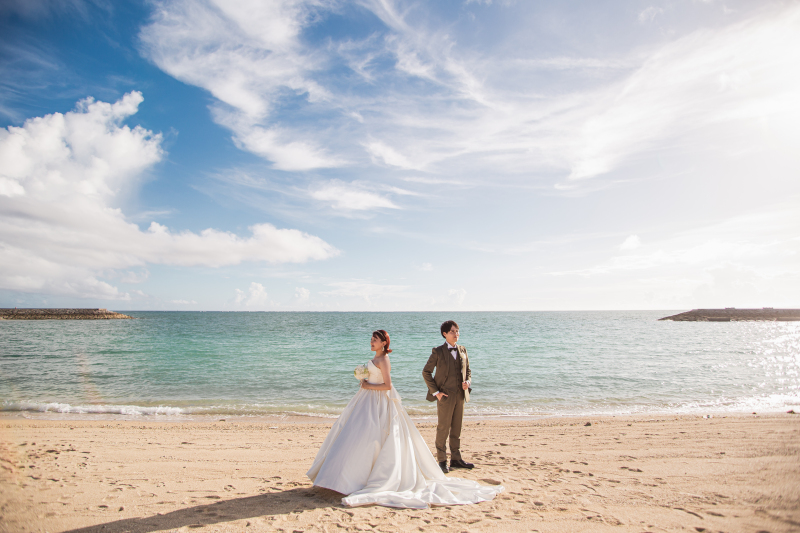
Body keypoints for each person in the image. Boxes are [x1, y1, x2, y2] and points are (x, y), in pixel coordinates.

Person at [307, 329, 502, 509]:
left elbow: (387, 386)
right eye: (371, 339)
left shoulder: (384, 359)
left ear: (384, 343)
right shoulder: (375, 358)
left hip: (379, 402)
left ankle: (361, 479)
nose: (371, 342)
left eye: (375, 340)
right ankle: (346, 478)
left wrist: (368, 386)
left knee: (372, 438)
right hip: (366, 401)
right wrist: (364, 380)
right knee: (353, 436)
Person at [422, 320, 473, 473]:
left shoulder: (463, 349)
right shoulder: (437, 351)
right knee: (443, 429)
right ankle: (442, 461)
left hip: (460, 396)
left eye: (457, 331)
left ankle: (456, 459)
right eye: (452, 331)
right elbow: (426, 372)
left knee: (457, 429)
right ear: (444, 334)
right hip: (445, 396)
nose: (456, 334)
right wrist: (436, 392)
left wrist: (468, 382)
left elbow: (468, 370)